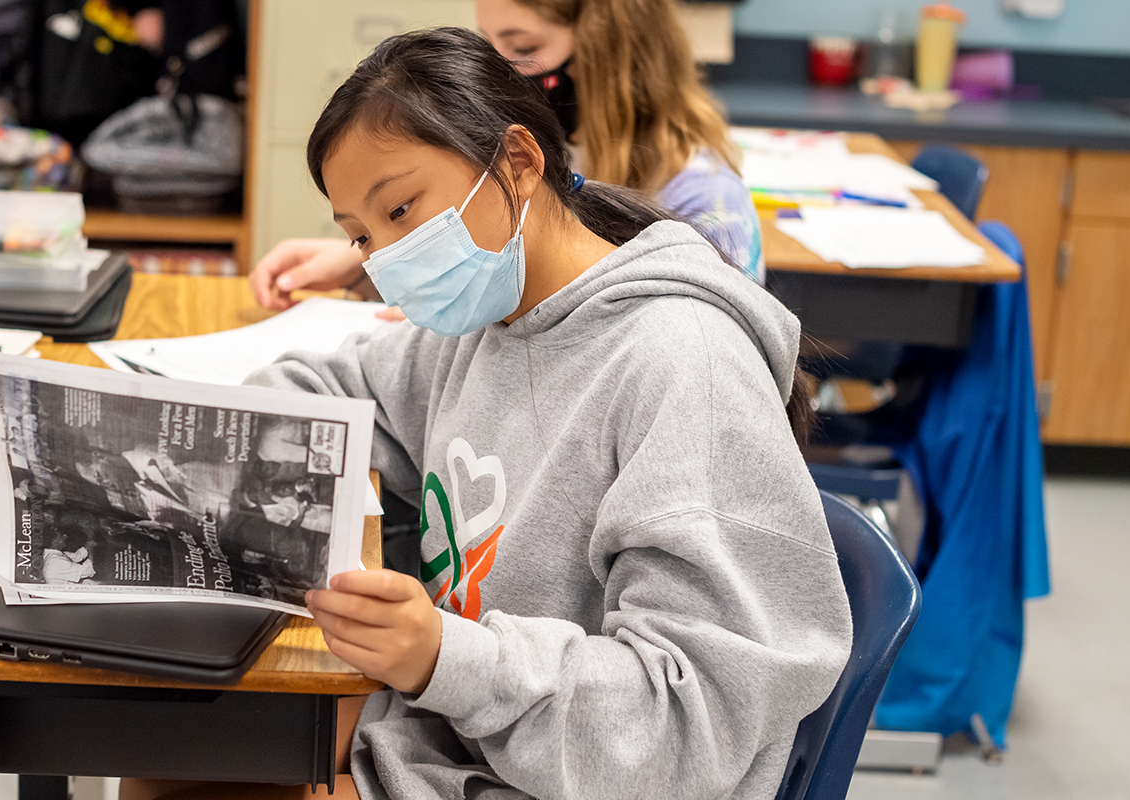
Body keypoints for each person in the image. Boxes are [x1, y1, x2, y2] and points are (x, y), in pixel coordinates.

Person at [125, 28, 850, 800]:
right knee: (168, 752)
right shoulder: (492, 319)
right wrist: (191, 430)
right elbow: (341, 389)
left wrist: (446, 657)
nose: (389, 259)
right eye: (364, 237)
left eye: (403, 209)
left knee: (188, 765)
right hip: (472, 727)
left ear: (518, 162)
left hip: (589, 769)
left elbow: (684, 726)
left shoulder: (683, 363)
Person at [249, 0, 764, 314]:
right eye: (491, 47)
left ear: (610, 44)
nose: (505, 74)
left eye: (520, 48)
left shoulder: (705, 204)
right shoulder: (577, 152)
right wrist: (371, 257)